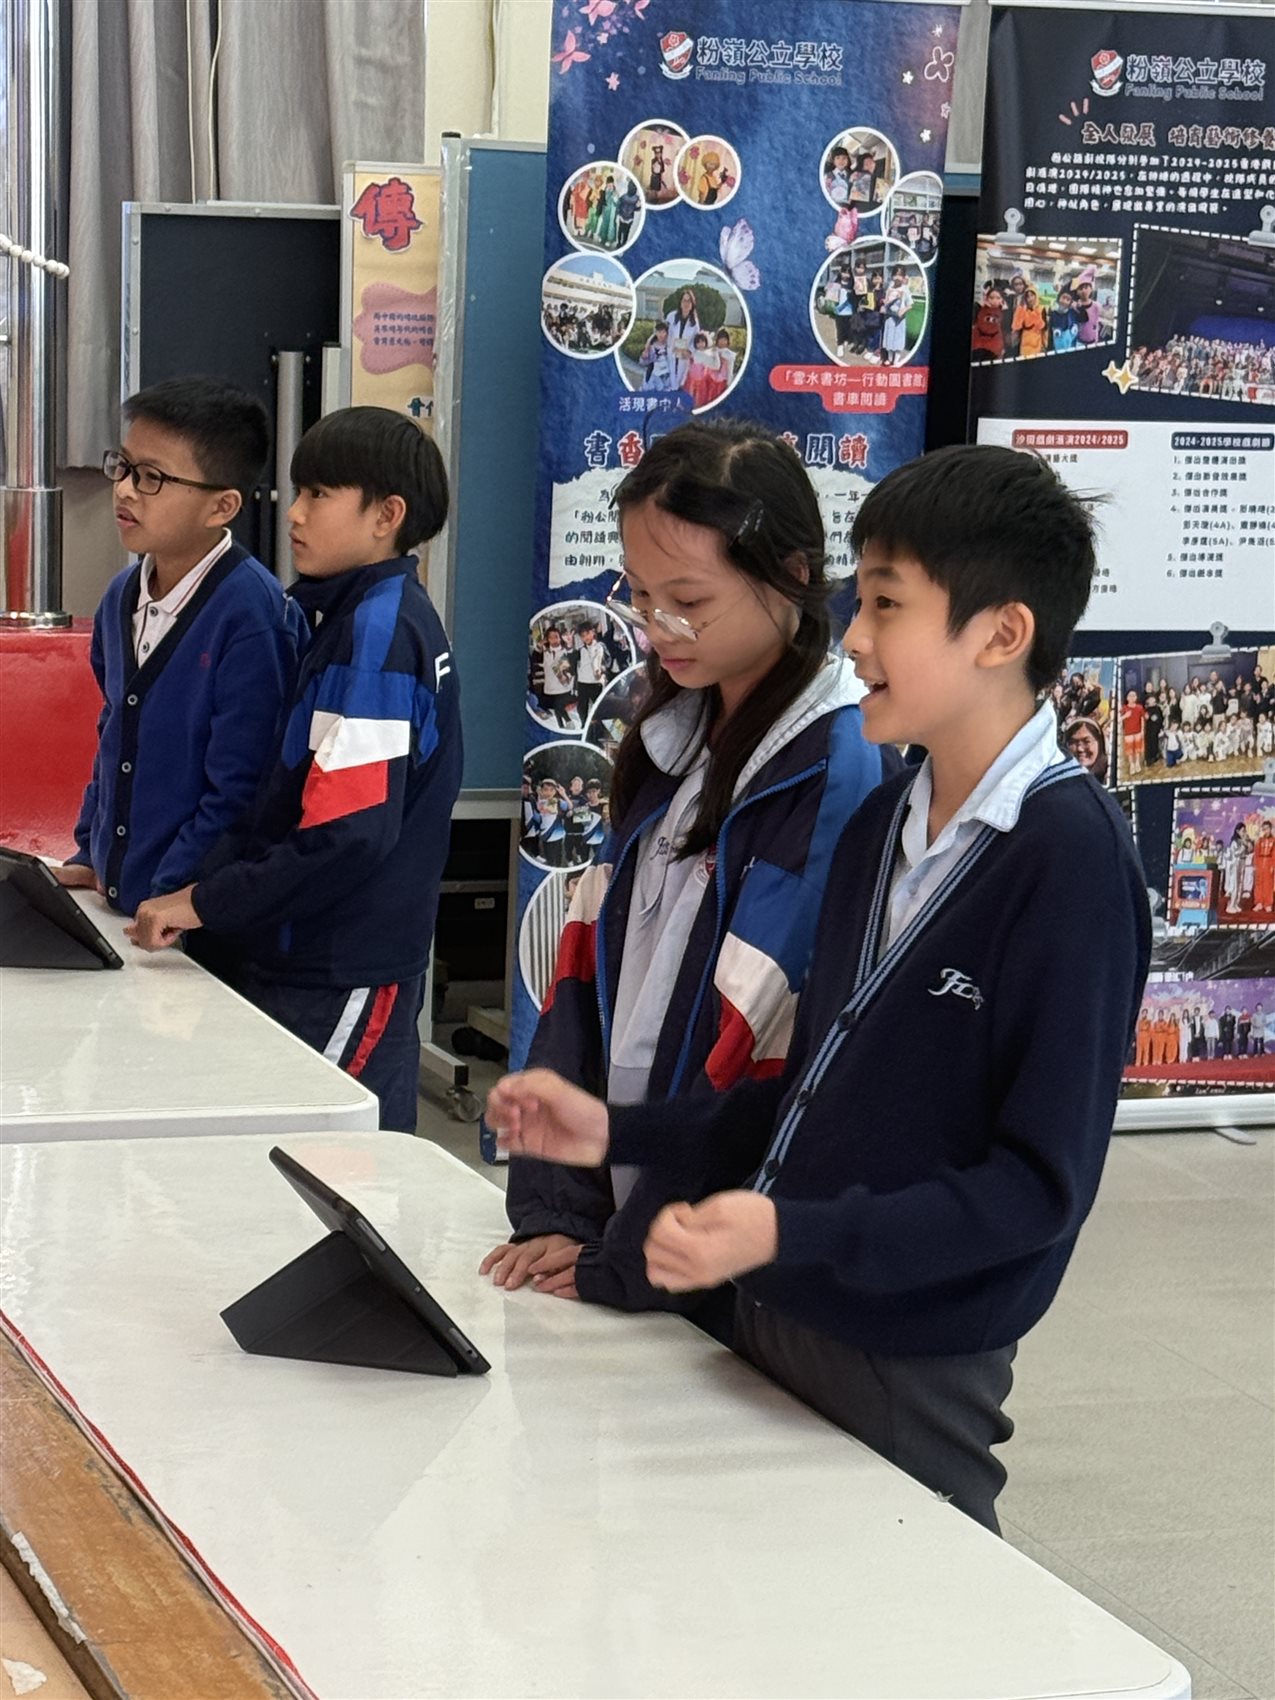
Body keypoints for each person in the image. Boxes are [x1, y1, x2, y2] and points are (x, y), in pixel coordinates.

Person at [487, 443, 1150, 1535]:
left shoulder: (1067, 860)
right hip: (776, 1313)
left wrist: (790, 1232)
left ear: (1000, 634)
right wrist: (616, 1129)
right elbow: (804, 1095)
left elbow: (1035, 1189)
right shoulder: (887, 823)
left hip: (908, 1353)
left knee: (905, 1604)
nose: (851, 637)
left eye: (887, 606)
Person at [482, 419, 888, 1340]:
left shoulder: (835, 770)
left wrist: (629, 1255)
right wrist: (559, 1209)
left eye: (689, 599)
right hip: (622, 1231)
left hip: (701, 1266)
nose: (657, 626)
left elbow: (756, 1051)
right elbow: (581, 981)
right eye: (639, 594)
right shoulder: (667, 737)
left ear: (790, 576)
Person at [126, 407, 462, 1135]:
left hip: (341, 966)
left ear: (387, 516)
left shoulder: (377, 636)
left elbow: (348, 835)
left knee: (332, 1164)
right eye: (297, 491)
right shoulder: (342, 618)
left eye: (319, 495)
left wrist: (207, 901)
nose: (295, 514)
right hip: (299, 956)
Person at [57, 378, 302, 915]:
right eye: (123, 466)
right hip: (124, 904)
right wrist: (91, 851)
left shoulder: (252, 615)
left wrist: (171, 893)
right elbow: (115, 733)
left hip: (190, 918)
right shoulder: (120, 595)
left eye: (152, 478)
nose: (124, 490)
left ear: (222, 507)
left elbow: (238, 792)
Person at [666, 290, 700, 389]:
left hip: (684, 356)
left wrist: (690, 351)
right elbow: (664, 333)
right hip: (671, 353)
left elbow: (696, 340)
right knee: (669, 382)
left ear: (692, 304)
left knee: (680, 382)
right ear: (680, 303)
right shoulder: (671, 316)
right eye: (684, 300)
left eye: (689, 301)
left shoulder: (694, 322)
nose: (686, 303)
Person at [880, 268, 914, 368]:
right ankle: (890, 359)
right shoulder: (890, 287)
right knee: (889, 338)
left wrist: (903, 310)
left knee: (898, 339)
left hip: (899, 320)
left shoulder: (905, 289)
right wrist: (884, 303)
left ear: (903, 277)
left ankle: (896, 360)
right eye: (895, 275)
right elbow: (886, 301)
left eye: (900, 275)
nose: (897, 277)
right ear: (892, 276)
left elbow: (910, 305)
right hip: (889, 318)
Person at [639, 322, 676, 392]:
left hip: (667, 378)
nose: (661, 335)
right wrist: (644, 356)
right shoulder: (651, 347)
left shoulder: (670, 346)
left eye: (663, 332)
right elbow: (643, 363)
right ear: (656, 333)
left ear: (667, 333)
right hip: (655, 377)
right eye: (659, 332)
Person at [1013, 286, 1047, 358]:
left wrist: (1035, 312)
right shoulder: (1023, 310)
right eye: (1028, 296)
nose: (1030, 298)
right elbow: (1017, 326)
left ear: (1036, 296)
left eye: (1032, 295)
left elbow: (1043, 327)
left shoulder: (1041, 308)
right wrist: (1020, 310)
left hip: (1037, 341)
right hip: (1025, 342)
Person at [1121, 688, 1146, 777]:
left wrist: (1142, 730)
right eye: (1130, 695)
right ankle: (1131, 765)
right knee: (1130, 750)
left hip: (1138, 732)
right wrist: (1125, 716)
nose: (1132, 697)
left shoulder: (1139, 707)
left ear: (1136, 697)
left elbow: (1142, 719)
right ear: (1127, 698)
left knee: (1137, 749)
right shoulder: (1124, 708)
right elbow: (1117, 719)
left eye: (1134, 695)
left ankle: (1137, 763)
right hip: (1128, 733)